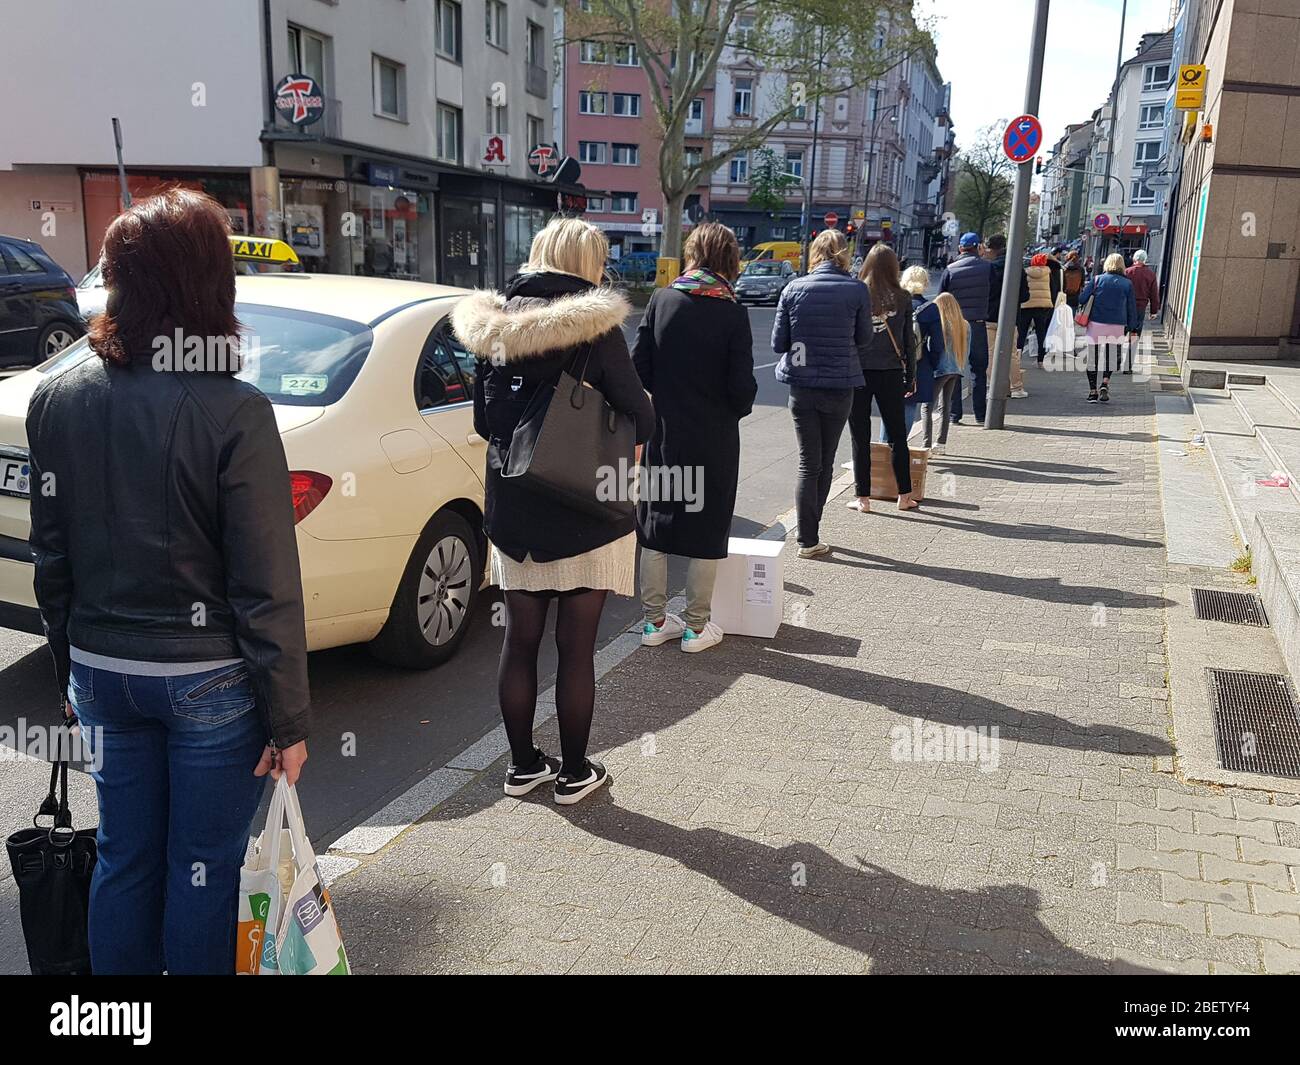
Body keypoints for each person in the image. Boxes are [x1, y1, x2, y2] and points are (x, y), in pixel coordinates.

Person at [26, 188, 310, 975]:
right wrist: (289, 720)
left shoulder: (58, 399)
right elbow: (265, 582)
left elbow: (52, 560)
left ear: (118, 282)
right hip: (207, 681)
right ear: (210, 284)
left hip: (104, 671)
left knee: (125, 856)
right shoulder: (237, 411)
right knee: (203, 866)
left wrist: (71, 671)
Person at [453, 217, 655, 805]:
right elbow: (640, 416)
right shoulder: (596, 327)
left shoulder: (492, 326)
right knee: (577, 648)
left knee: (518, 641)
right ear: (588, 265)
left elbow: (483, 423)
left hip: (514, 509)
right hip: (585, 508)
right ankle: (573, 774)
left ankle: (520, 768)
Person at [632, 222, 757, 653]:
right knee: (707, 526)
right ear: (729, 258)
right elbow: (742, 390)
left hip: (663, 433)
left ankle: (652, 623)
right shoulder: (731, 310)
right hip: (713, 440)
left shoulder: (662, 299)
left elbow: (639, 369)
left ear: (691, 254)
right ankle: (696, 627)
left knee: (654, 524)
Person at [773, 228, 869, 558]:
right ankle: (812, 535)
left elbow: (778, 344)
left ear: (814, 253)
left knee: (806, 463)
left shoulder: (794, 288)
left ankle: (806, 539)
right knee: (825, 462)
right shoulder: (856, 289)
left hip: (802, 387)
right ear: (844, 253)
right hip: (840, 384)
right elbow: (864, 337)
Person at [848, 244, 918, 513]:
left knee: (860, 435)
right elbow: (909, 342)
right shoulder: (902, 297)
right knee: (897, 435)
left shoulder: (858, 293)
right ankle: (904, 495)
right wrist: (910, 376)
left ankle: (863, 498)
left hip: (859, 372)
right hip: (890, 372)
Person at [938, 232, 995, 423]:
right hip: (977, 324)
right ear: (978, 247)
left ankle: (954, 415)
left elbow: (941, 299)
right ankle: (980, 415)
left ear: (961, 248)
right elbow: (995, 293)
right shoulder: (988, 268)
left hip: (955, 325)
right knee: (979, 370)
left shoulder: (950, 269)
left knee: (954, 368)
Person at [1078, 251, 1139, 403]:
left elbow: (1082, 298)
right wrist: (1133, 328)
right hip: (1117, 325)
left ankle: (1093, 391)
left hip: (1096, 324)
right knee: (1112, 356)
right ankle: (1105, 382)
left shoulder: (1097, 280)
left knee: (1093, 358)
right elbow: (1132, 307)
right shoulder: (1127, 284)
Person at [885, 264, 935, 446]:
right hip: (918, 363)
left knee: (889, 406)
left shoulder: (893, 304)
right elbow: (937, 344)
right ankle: (897, 446)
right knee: (908, 406)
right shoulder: (930, 309)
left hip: (892, 361)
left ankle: (884, 447)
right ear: (925, 283)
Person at [915, 291, 970, 455]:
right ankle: (941, 444)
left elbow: (934, 348)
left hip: (940, 369)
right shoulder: (964, 325)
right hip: (956, 368)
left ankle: (926, 444)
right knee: (945, 406)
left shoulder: (942, 324)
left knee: (927, 406)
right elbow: (966, 350)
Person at [1017, 252, 1061, 373]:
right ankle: (1041, 360)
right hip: (1042, 306)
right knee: (1041, 333)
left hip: (1026, 305)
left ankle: (1017, 359)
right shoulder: (1048, 273)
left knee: (1022, 332)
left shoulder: (1026, 272)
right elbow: (1053, 289)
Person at [1124, 249, 1161, 373]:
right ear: (1145, 260)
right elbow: (1154, 294)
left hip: (1125, 307)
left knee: (1119, 333)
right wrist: (1154, 310)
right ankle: (1128, 366)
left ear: (1134, 259)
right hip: (1139, 308)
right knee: (1134, 336)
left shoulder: (1127, 272)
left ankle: (1114, 360)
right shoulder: (1150, 274)